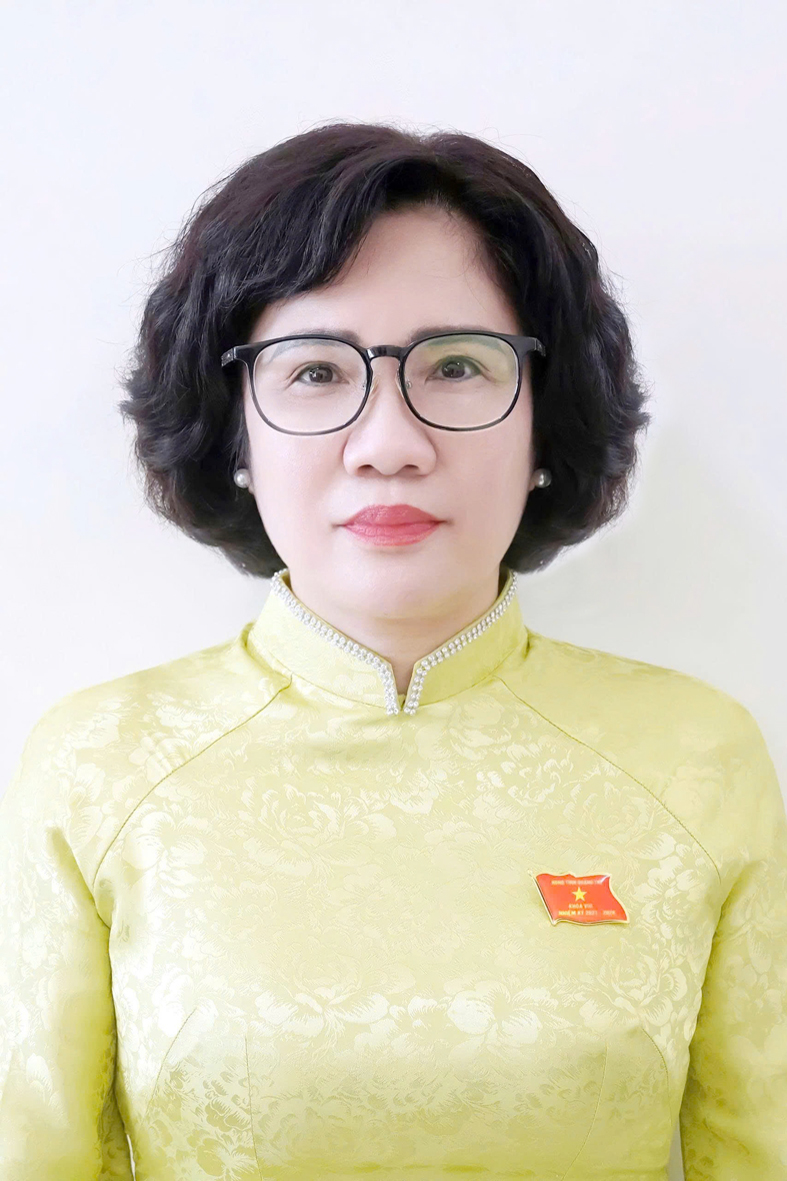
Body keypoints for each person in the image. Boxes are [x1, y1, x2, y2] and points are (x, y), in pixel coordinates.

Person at [1, 121, 785, 1181]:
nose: (388, 443)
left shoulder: (694, 756)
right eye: (316, 371)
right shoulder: (100, 763)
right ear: (234, 432)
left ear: (545, 423)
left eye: (456, 366)